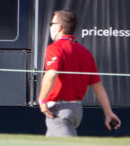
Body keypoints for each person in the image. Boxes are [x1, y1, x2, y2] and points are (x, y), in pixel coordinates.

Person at [37, 9, 121, 137]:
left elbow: (52, 74)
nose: (50, 27)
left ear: (59, 27)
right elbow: (98, 87)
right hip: (75, 110)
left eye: (51, 24)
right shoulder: (85, 52)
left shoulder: (55, 48)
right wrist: (108, 112)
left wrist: (42, 101)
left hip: (60, 111)